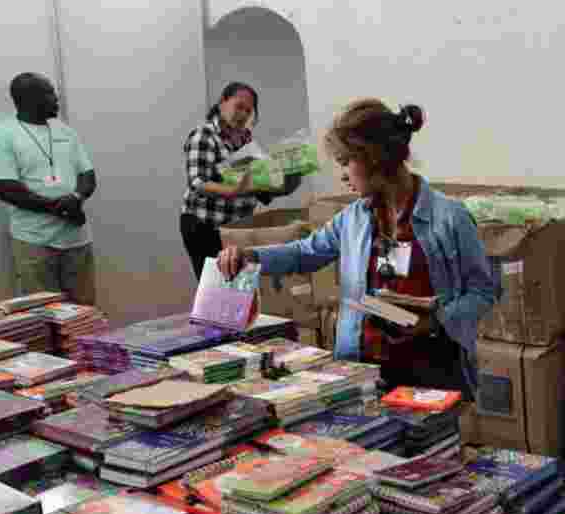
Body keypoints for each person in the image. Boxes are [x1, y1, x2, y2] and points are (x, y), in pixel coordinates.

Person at [218, 99, 500, 400]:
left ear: (373, 158)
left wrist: (435, 320)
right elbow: (304, 253)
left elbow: (483, 291)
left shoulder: (450, 218)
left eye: (345, 163)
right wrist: (252, 256)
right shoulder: (354, 217)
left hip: (433, 374)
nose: (342, 176)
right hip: (361, 372)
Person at [0, 73, 97, 305]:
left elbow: (88, 175)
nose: (56, 99)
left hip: (76, 239)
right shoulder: (2, 135)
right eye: (49, 93)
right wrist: (60, 209)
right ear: (28, 99)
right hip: (34, 242)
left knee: (84, 315)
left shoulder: (66, 132)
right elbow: (6, 188)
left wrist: (76, 197)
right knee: (43, 317)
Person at [180, 82, 300, 280]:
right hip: (205, 225)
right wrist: (234, 189)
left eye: (248, 110)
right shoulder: (205, 135)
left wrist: (287, 182)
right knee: (215, 289)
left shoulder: (246, 140)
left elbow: (258, 187)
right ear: (222, 103)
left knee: (238, 290)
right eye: (239, 106)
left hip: (236, 229)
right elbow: (197, 182)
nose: (243, 114)